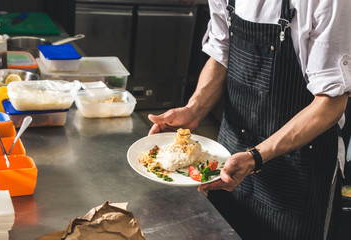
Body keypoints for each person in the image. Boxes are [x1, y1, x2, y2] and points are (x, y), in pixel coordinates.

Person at [148, 0, 351, 239]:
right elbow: (221, 52)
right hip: (231, 152)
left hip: (299, 168)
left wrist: (257, 155)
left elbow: (330, 102)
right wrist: (194, 109)